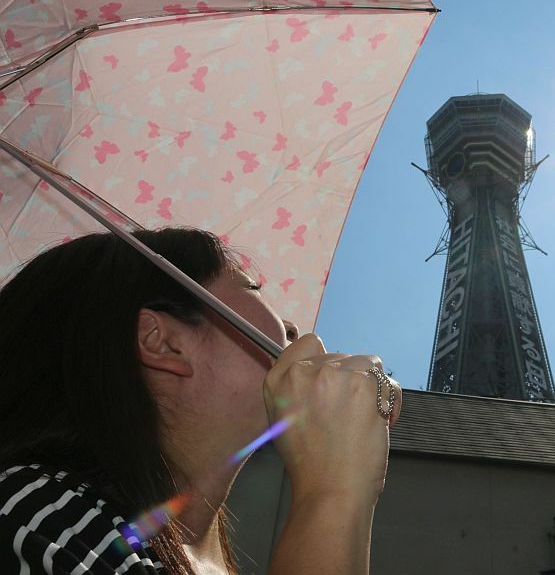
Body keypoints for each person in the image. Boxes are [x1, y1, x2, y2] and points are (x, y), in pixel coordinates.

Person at [0, 228, 401, 574]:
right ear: (164, 342)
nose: (292, 327)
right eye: (251, 288)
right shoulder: (38, 523)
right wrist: (333, 491)